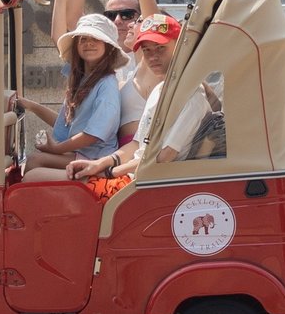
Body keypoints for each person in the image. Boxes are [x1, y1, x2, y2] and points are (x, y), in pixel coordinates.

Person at [66, 13, 195, 199]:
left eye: (160, 48)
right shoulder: (160, 91)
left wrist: (110, 172)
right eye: (147, 50)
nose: (153, 57)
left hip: (147, 188)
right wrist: (100, 164)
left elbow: (164, 156)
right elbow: (137, 144)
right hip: (134, 180)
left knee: (37, 177)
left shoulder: (190, 96)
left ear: (180, 47)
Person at [10, 12, 123, 179]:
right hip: (81, 153)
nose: (89, 43)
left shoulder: (107, 85)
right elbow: (65, 123)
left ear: (109, 47)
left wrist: (56, 149)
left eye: (96, 39)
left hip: (96, 160)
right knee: (34, 160)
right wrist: (31, 106)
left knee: (34, 165)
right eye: (83, 39)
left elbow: (93, 135)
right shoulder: (82, 80)